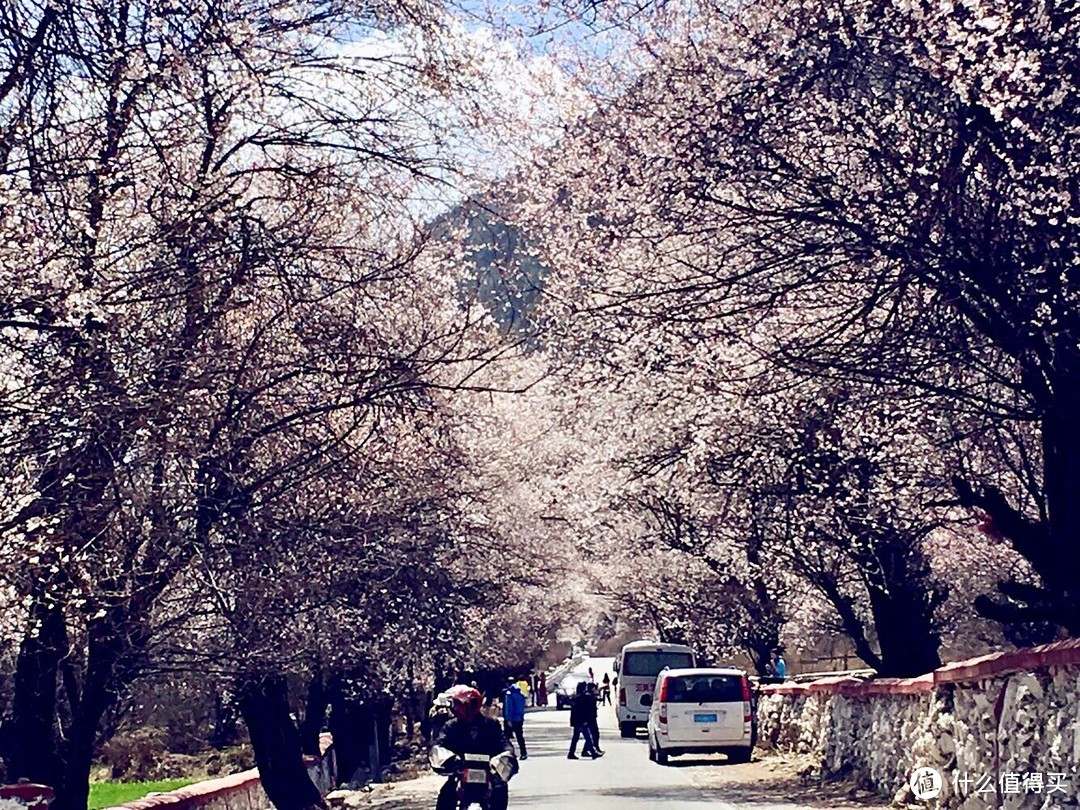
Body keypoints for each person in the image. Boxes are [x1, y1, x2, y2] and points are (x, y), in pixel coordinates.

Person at [433, 687, 515, 810]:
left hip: (489, 772)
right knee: (446, 796)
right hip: (460, 771)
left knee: (500, 790)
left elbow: (503, 742)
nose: (456, 708)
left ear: (470, 705)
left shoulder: (491, 724)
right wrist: (448, 758)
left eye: (459, 704)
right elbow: (440, 743)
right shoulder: (451, 726)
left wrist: (505, 756)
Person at [568, 681, 602, 759]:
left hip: (576, 721)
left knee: (576, 738)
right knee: (588, 737)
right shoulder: (582, 698)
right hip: (581, 721)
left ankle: (571, 753)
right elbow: (583, 710)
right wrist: (585, 720)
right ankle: (593, 753)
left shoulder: (576, 697)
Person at [502, 678, 528, 760]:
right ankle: (523, 753)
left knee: (506, 737)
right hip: (519, 718)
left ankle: (510, 753)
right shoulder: (520, 694)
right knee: (520, 736)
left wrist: (508, 719)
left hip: (511, 718)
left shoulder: (509, 694)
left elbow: (508, 707)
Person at [586, 682, 604, 754]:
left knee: (591, 734)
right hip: (590, 718)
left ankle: (590, 749)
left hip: (592, 717)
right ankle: (594, 748)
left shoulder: (590, 695)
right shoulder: (589, 696)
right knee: (594, 734)